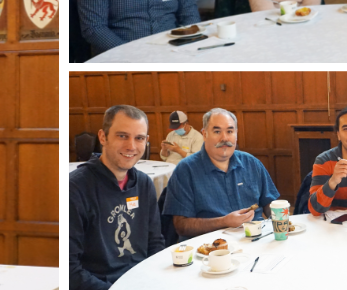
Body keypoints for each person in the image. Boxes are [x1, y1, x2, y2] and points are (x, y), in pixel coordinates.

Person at [68, 105, 165, 290]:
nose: (131, 146)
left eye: (139, 138)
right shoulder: (75, 189)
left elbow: (155, 243)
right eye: (122, 136)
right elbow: (70, 270)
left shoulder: (144, 184)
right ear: (103, 137)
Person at [163, 108, 280, 242]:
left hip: (255, 240)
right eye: (217, 131)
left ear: (236, 134)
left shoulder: (251, 163)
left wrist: (278, 219)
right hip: (208, 249)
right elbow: (181, 226)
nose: (224, 138)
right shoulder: (186, 170)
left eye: (230, 131)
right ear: (204, 134)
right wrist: (223, 222)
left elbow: (270, 203)